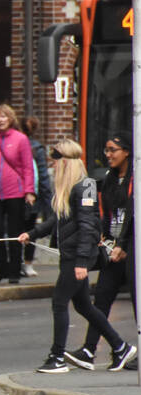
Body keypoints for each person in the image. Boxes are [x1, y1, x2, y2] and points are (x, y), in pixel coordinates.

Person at [19, 141, 138, 373]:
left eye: (56, 160)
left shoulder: (85, 187)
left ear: (66, 163)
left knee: (59, 302)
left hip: (76, 257)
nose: (53, 164)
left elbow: (88, 227)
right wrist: (32, 234)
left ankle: (56, 358)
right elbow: (58, 220)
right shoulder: (72, 188)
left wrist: (83, 262)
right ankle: (120, 347)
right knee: (84, 305)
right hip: (71, 255)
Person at [69, 132, 137, 370]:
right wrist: (104, 237)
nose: (108, 155)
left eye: (113, 150)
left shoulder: (135, 178)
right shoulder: (109, 178)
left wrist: (124, 245)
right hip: (113, 246)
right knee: (102, 298)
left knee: (138, 302)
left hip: (131, 247)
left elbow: (133, 214)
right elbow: (106, 213)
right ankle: (89, 349)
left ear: (127, 152)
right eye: (106, 150)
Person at [0, 104, 35, 285]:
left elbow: (28, 167)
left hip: (15, 192)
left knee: (14, 233)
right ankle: (0, 270)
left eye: (4, 116)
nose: (0, 120)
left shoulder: (21, 139)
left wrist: (29, 191)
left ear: (10, 119)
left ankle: (14, 270)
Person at [20, 115, 52, 278]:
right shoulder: (38, 148)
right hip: (33, 195)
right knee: (31, 230)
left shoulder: (17, 145)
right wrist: (47, 200)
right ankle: (28, 263)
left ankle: (17, 261)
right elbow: (43, 175)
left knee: (16, 229)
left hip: (17, 193)